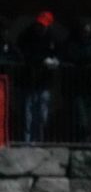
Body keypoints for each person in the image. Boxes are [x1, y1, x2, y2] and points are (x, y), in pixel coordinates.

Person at [17, 11, 62, 143]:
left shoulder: (52, 38)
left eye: (43, 25)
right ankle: (27, 142)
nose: (40, 27)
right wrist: (42, 60)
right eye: (39, 24)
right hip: (28, 81)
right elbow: (26, 55)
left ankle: (39, 140)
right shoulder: (27, 36)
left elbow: (59, 52)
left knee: (42, 114)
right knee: (28, 114)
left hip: (44, 82)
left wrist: (56, 60)